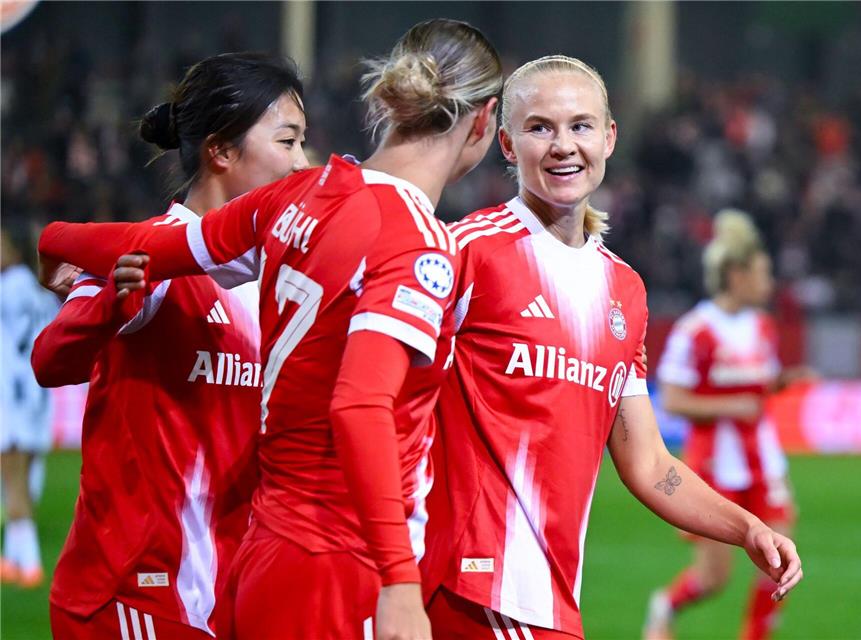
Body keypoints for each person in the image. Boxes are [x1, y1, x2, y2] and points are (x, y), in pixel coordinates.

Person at [38, 19, 503, 640]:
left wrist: (54, 239)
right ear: (482, 120)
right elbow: (360, 404)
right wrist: (399, 580)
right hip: (317, 564)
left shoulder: (297, 204)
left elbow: (156, 246)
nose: (297, 155)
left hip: (256, 557)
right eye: (286, 139)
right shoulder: (416, 243)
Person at [418, 56, 802, 640]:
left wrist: (745, 527)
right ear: (505, 142)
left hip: (551, 597)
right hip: (472, 586)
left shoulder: (623, 289)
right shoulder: (466, 253)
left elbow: (648, 465)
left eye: (580, 126)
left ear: (609, 137)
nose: (562, 145)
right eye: (539, 127)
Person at [32, 52, 308, 639]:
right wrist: (110, 304)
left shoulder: (282, 284)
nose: (302, 164)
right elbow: (51, 360)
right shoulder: (146, 254)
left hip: (231, 593)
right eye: (287, 142)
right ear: (222, 151)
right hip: (136, 594)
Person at [645, 209, 814, 640]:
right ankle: (664, 606)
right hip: (715, 467)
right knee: (714, 579)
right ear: (736, 275)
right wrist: (731, 406)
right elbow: (673, 398)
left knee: (780, 564)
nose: (769, 283)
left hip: (764, 462)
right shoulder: (695, 331)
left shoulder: (762, 326)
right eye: (762, 273)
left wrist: (782, 382)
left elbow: (758, 389)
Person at [0, 227, 58, 588]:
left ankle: (31, 564)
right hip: (37, 397)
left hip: (11, 398)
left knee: (13, 484)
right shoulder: (41, 293)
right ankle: (11, 558)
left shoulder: (7, 288)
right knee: (25, 480)